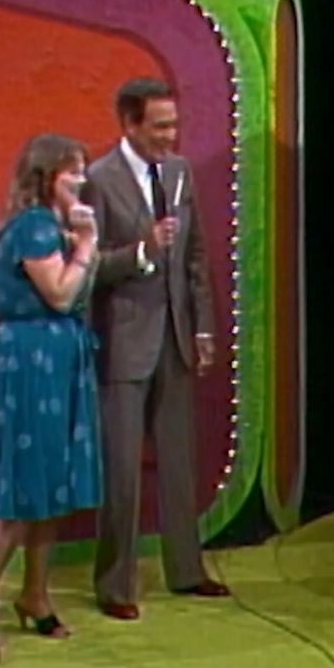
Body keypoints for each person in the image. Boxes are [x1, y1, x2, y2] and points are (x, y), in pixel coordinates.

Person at [82, 77, 229, 620]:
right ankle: (115, 585)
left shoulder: (179, 172)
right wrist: (142, 251)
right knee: (122, 471)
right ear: (129, 124)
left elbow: (195, 256)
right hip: (123, 342)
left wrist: (204, 329)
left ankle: (187, 571)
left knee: (179, 464)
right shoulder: (98, 180)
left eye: (174, 124)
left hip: (175, 337)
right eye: (160, 126)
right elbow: (89, 266)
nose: (171, 135)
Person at [0, 133, 104, 663]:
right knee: (25, 486)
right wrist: (87, 243)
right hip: (30, 362)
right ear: (46, 177)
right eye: (72, 172)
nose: (81, 180)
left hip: (58, 357)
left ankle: (35, 594)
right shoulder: (35, 226)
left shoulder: (53, 227)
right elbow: (61, 293)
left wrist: (81, 242)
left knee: (53, 484)